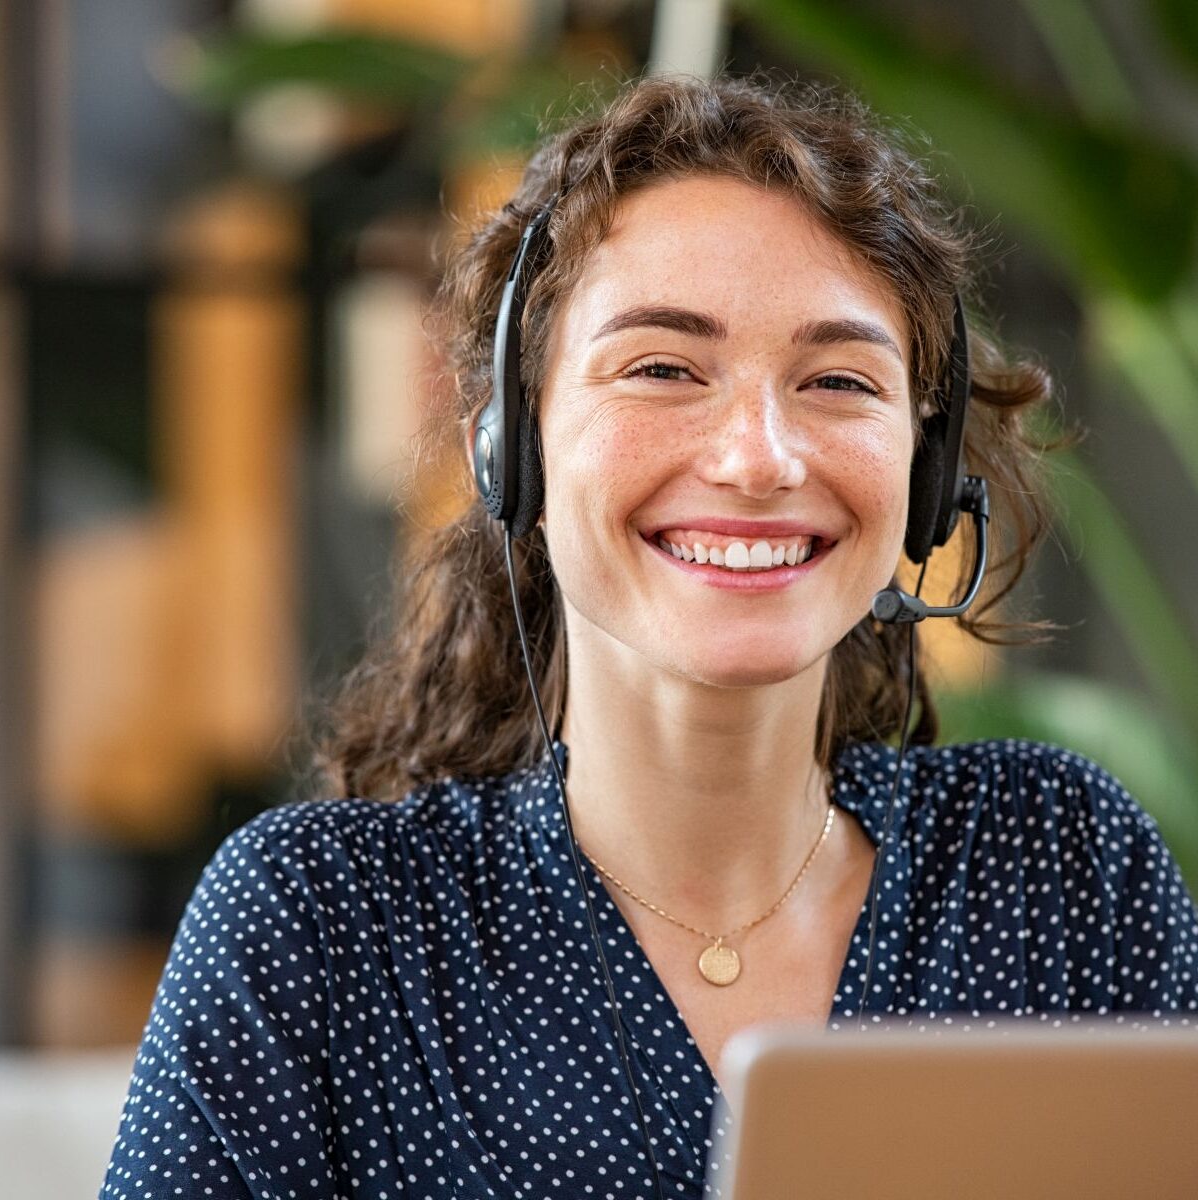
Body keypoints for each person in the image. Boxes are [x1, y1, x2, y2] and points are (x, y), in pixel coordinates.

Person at [101, 75, 1198, 1200]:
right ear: (512, 448)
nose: (759, 457)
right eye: (664, 368)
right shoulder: (324, 930)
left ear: (920, 479)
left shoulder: (1059, 870)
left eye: (837, 380)